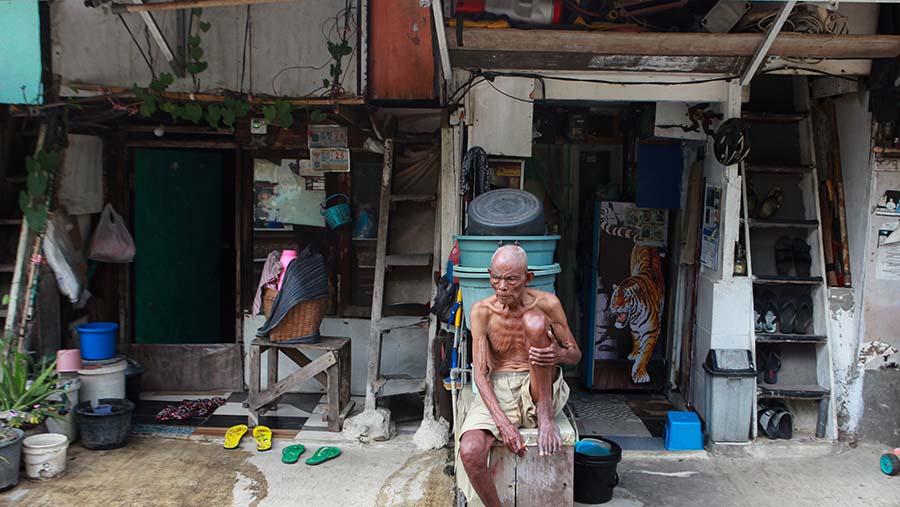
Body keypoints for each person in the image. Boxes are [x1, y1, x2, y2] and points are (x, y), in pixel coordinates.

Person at [458, 245, 581, 507]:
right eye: (496, 278)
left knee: (535, 321)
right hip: (498, 387)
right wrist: (503, 424)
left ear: (528, 278)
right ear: (490, 274)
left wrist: (558, 354)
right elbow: (479, 374)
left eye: (511, 279)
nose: (501, 286)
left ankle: (544, 414)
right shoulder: (482, 311)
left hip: (539, 385)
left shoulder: (547, 304)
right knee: (470, 451)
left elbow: (575, 355)